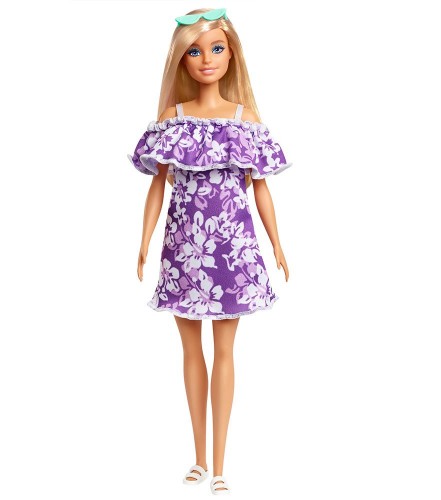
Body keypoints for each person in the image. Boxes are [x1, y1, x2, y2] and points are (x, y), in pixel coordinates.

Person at [128, 7, 292, 495]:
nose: (206, 60)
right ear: (181, 60)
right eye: (195, 52)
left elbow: (260, 187)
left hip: (233, 252)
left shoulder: (245, 121)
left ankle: (219, 465)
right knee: (190, 352)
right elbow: (157, 186)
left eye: (217, 49)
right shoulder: (172, 121)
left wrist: (278, 243)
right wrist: (144, 240)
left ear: (231, 54)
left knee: (224, 352)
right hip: (183, 251)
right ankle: (198, 460)